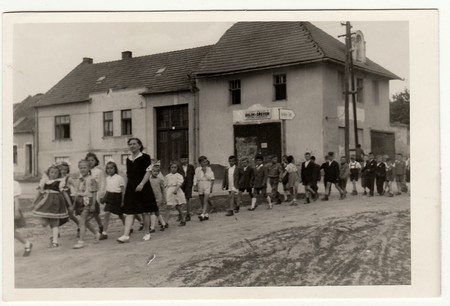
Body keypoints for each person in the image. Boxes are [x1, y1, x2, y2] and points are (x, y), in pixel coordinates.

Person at [117, 138, 159, 243]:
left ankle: (147, 233)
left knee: (145, 212)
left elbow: (148, 172)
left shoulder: (145, 157)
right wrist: (127, 187)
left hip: (143, 186)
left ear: (140, 145)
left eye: (134, 144)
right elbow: (129, 175)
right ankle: (126, 235)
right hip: (131, 187)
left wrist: (141, 184)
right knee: (129, 211)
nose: (132, 146)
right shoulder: (128, 159)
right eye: (130, 144)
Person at [32, 165, 69, 248]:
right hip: (45, 202)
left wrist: (69, 204)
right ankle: (51, 236)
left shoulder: (60, 182)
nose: (53, 174)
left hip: (56, 203)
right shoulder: (44, 182)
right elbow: (40, 192)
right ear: (48, 173)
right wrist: (34, 201)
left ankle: (55, 241)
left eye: (56, 173)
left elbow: (65, 194)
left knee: (54, 222)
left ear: (58, 174)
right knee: (43, 222)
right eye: (51, 172)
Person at [72, 160, 101, 249]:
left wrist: (93, 205)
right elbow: (77, 193)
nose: (83, 169)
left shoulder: (92, 179)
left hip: (89, 201)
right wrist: (74, 205)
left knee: (82, 221)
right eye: (81, 168)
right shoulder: (79, 180)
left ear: (89, 168)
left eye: (85, 167)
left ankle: (81, 241)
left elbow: (94, 192)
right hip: (80, 202)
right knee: (86, 222)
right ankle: (97, 233)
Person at [99, 161, 125, 240]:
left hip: (118, 197)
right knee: (107, 213)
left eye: (111, 168)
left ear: (115, 169)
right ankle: (104, 233)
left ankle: (128, 227)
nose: (109, 170)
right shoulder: (107, 179)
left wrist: (122, 201)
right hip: (109, 197)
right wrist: (103, 198)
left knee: (120, 214)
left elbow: (123, 191)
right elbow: (107, 190)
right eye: (107, 168)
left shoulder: (119, 178)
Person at [85, 153, 105, 235]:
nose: (90, 162)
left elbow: (102, 184)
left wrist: (100, 196)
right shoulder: (85, 170)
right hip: (87, 195)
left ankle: (83, 225)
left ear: (96, 161)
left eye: (92, 160)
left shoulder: (98, 172)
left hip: (95, 195)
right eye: (88, 160)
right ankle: (100, 226)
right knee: (94, 213)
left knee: (94, 212)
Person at [58, 162, 80, 236]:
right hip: (58, 197)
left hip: (67, 197)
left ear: (67, 170)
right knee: (57, 214)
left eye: (65, 169)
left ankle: (79, 225)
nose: (63, 171)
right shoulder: (57, 177)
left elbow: (76, 186)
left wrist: (76, 193)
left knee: (70, 215)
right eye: (62, 169)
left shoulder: (68, 178)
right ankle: (56, 230)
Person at [14, 180, 33, 256]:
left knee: (11, 231)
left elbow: (15, 198)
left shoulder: (13, 183)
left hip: (9, 208)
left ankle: (27, 243)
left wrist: (16, 210)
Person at [193, 156, 215, 221]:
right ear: (200, 163)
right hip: (200, 185)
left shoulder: (209, 169)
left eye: (206, 162)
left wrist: (205, 172)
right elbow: (196, 177)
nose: (205, 163)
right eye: (203, 162)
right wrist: (195, 185)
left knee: (205, 200)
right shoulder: (197, 169)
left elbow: (211, 178)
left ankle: (202, 214)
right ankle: (206, 214)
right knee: (202, 200)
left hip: (207, 184)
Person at [178, 154, 195, 221]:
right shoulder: (178, 167)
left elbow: (193, 175)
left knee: (187, 199)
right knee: (180, 200)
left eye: (185, 159)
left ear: (187, 159)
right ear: (180, 160)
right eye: (182, 159)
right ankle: (180, 215)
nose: (184, 161)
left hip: (188, 184)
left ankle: (188, 214)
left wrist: (192, 183)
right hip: (181, 184)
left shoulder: (191, 167)